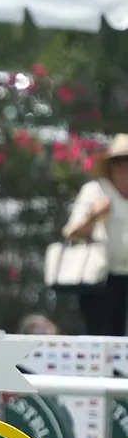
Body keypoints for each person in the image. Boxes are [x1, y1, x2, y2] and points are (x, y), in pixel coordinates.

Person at [62, 134, 128, 336]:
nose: (124, 166)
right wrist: (94, 215)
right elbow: (72, 233)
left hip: (126, 276)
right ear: (111, 165)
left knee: (120, 338)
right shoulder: (94, 191)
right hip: (99, 278)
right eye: (119, 161)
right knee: (98, 335)